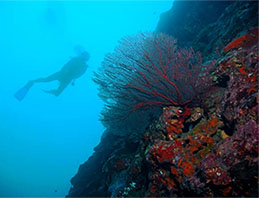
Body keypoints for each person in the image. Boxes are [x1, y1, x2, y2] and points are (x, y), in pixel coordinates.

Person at [14, 50, 90, 101]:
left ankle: (33, 82)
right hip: (64, 76)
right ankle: (33, 82)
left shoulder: (79, 62)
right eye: (83, 55)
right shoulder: (78, 61)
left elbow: (76, 73)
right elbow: (77, 74)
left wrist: (69, 74)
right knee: (49, 83)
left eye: (83, 56)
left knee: (51, 85)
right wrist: (70, 75)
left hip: (63, 76)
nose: (82, 57)